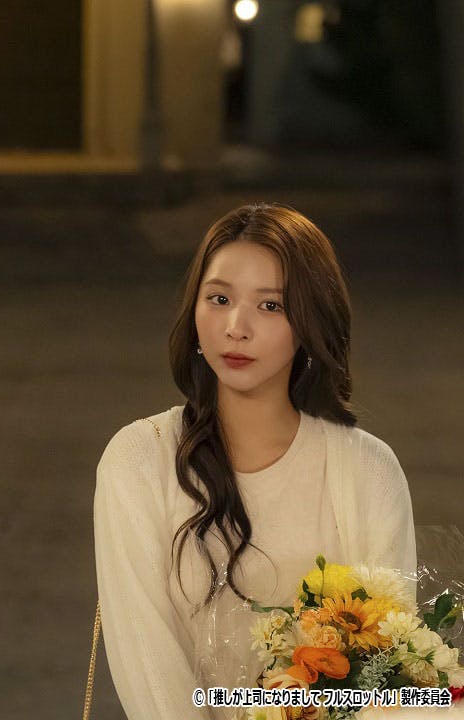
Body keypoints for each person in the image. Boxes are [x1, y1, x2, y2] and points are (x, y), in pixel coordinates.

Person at [93, 204, 416, 719]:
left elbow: (385, 668)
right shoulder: (137, 460)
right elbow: (147, 661)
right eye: (219, 299)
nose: (236, 327)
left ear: (310, 320)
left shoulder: (367, 470)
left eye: (270, 306)